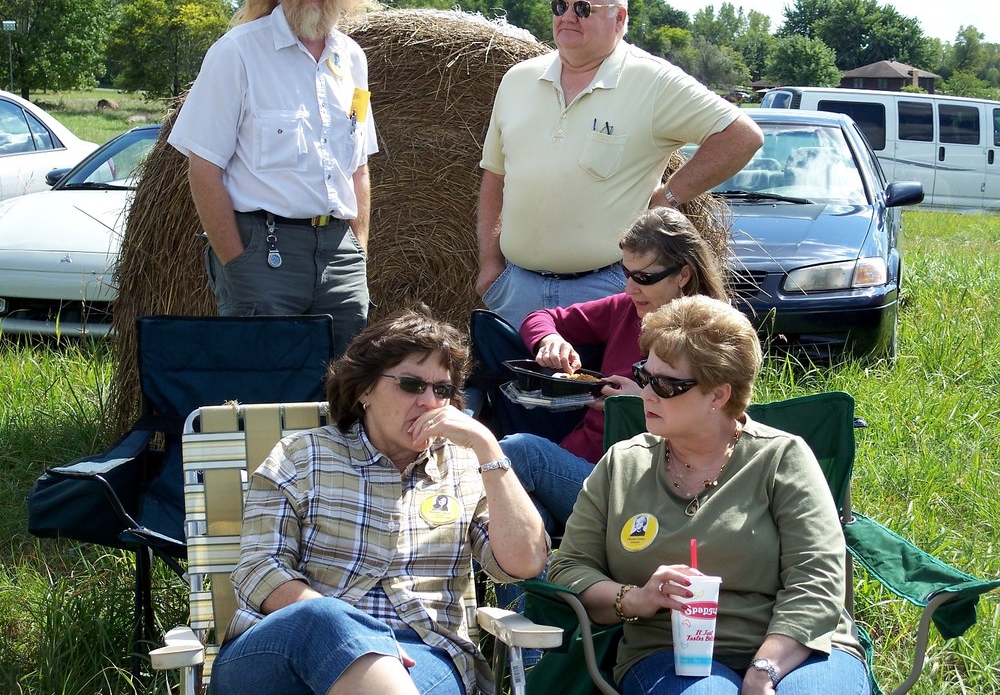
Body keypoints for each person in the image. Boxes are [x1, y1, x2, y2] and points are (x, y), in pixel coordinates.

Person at [208, 306, 549, 695]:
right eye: (412, 384)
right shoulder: (302, 456)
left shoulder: (467, 467)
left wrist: (488, 447)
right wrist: (356, 639)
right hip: (286, 650)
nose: (429, 402)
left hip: (421, 653)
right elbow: (259, 569)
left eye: (442, 390)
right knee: (323, 616)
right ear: (364, 389)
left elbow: (524, 563)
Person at [548, 296, 870, 695]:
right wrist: (633, 598)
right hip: (669, 651)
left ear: (718, 395)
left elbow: (817, 579)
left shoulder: (781, 458)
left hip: (798, 648)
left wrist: (764, 669)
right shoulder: (622, 465)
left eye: (666, 384)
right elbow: (571, 567)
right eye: (644, 375)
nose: (646, 393)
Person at [476, 0, 763, 328]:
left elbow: (742, 136)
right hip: (517, 290)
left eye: (583, 8)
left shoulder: (654, 81)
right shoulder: (517, 79)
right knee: (514, 369)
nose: (568, 16)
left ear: (619, 18)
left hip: (609, 291)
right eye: (560, 6)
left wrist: (668, 197)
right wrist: (491, 265)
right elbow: (495, 176)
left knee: (608, 370)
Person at [168, 0, 376, 357]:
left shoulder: (353, 60)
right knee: (265, 387)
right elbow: (203, 168)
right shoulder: (237, 53)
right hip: (264, 254)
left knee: (347, 387)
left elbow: (358, 167)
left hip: (340, 257)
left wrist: (358, 251)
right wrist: (238, 263)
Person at [499, 207, 727, 535]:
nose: (631, 288)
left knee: (518, 451)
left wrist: (637, 403)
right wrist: (549, 341)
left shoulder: (712, 336)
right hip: (580, 465)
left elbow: (715, 432)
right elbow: (540, 318)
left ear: (683, 275)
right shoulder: (626, 309)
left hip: (637, 487)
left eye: (644, 278)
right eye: (626, 273)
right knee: (515, 517)